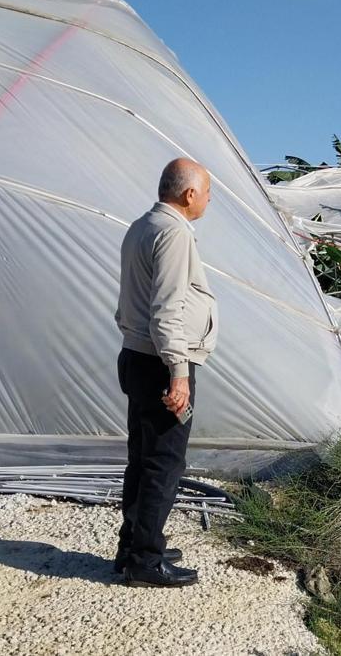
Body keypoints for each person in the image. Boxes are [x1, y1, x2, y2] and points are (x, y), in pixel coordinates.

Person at [113, 158, 218, 588]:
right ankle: (145, 560)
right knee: (164, 462)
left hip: (136, 356)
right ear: (189, 194)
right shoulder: (174, 233)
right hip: (161, 363)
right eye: (207, 193)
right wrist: (178, 372)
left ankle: (133, 545)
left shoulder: (141, 226)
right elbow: (167, 309)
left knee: (142, 457)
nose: (209, 200)